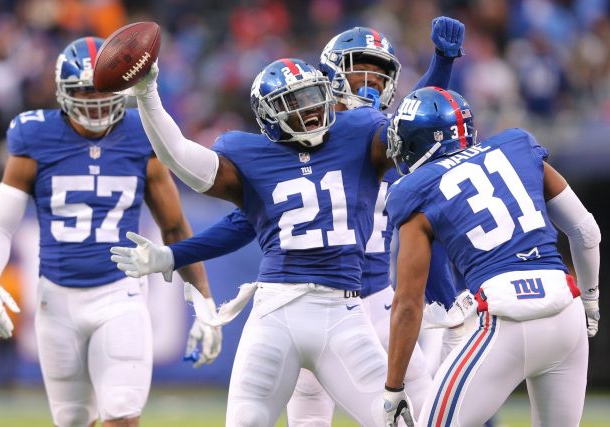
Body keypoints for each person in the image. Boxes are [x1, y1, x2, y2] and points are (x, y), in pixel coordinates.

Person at [112, 19, 466, 426]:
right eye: (292, 103)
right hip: (280, 307)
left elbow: (419, 121)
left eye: (312, 98)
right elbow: (181, 159)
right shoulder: (252, 156)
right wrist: (148, 94)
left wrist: (442, 65)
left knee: (411, 415)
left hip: (349, 305)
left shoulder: (359, 131)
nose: (309, 110)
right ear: (267, 116)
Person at [0, 37, 221, 427]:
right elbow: (0, 225)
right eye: (83, 91)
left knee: (122, 413)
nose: (94, 100)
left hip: (118, 294)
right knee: (73, 420)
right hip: (55, 298)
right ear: (61, 92)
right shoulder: (34, 136)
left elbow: (174, 227)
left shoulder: (143, 134)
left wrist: (204, 300)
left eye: (103, 89)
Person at [382, 86, 600, 427]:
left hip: (504, 317)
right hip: (565, 309)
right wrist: (590, 300)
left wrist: (394, 387)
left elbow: (408, 302)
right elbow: (586, 231)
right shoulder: (515, 146)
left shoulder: (415, 189)